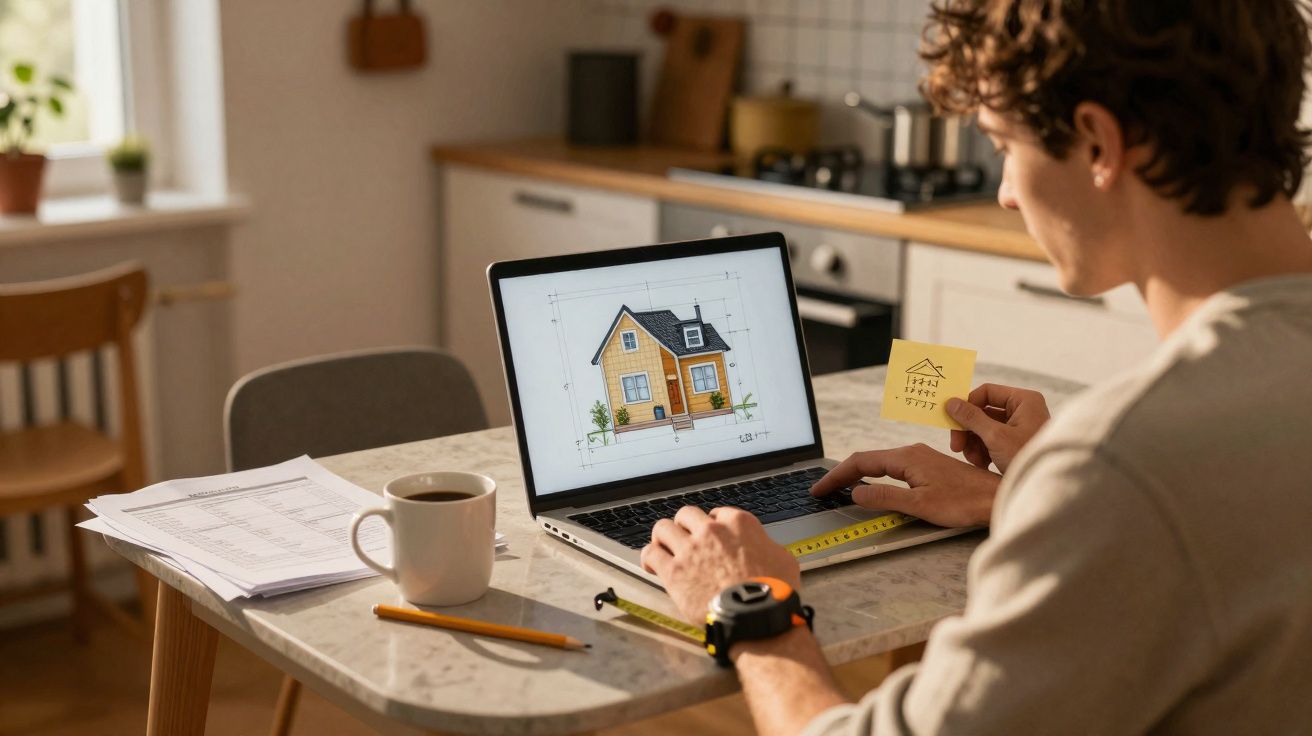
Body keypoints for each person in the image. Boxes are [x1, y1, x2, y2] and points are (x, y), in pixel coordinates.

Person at [639, 1, 1312, 733]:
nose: (1006, 192)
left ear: (1097, 144)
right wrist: (1028, 498)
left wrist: (749, 601)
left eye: (1002, 145)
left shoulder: (1121, 464)